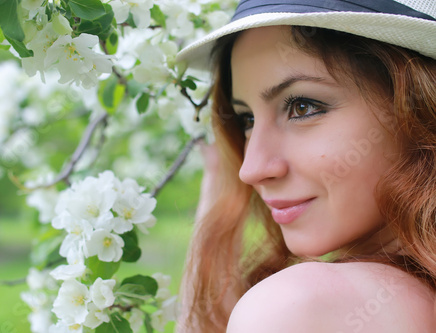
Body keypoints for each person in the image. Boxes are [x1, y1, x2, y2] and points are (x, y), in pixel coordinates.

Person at [175, 1, 436, 332]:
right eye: (247, 119)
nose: (250, 170)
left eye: (302, 107)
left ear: (419, 106)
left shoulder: (295, 306)